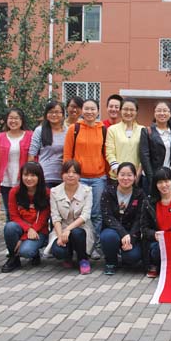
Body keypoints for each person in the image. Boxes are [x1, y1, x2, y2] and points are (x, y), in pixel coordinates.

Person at [63, 99, 107, 260]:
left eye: (93, 109)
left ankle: (93, 246)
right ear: (82, 110)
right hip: (78, 178)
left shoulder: (103, 129)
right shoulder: (74, 129)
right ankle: (78, 246)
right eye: (86, 109)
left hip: (98, 178)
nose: (89, 112)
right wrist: (68, 175)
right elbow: (67, 154)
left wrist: (108, 175)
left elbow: (106, 154)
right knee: (78, 214)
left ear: (98, 111)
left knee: (96, 214)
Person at [46, 160, 95, 275]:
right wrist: (60, 236)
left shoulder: (87, 191)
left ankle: (83, 259)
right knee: (58, 251)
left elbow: (85, 216)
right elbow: (55, 217)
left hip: (81, 227)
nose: (71, 175)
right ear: (62, 174)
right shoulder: (54, 192)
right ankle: (67, 256)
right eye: (67, 172)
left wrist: (68, 229)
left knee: (77, 233)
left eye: (74, 172)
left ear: (79, 175)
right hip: (61, 228)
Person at [1, 162, 51, 272]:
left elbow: (43, 219)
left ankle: (35, 252)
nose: (29, 178)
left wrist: (24, 237)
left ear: (39, 177)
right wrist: (28, 230)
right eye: (26, 175)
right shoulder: (14, 192)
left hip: (39, 230)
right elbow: (14, 216)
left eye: (33, 175)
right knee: (10, 227)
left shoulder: (46, 193)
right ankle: (13, 258)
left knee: (26, 251)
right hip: (22, 228)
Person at [100, 162, 145, 275]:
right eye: (122, 174)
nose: (126, 178)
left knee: (132, 257)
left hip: (131, 232)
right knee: (108, 237)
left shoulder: (140, 194)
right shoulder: (108, 191)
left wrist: (131, 237)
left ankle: (124, 256)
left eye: (129, 175)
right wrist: (123, 233)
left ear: (135, 177)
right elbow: (107, 216)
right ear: (117, 176)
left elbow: (139, 219)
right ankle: (111, 262)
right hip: (113, 229)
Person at [141, 167, 171, 278]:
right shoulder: (148, 202)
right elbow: (144, 228)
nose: (164, 185)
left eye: (167, 181)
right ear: (155, 184)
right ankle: (155, 265)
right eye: (160, 182)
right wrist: (154, 234)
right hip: (156, 242)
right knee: (157, 249)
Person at [0, 108, 33, 220]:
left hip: (25, 181)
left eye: (16, 118)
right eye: (10, 118)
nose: (13, 121)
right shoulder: (0, 137)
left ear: (22, 120)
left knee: (26, 212)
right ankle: (11, 230)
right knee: (10, 213)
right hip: (6, 181)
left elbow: (34, 158)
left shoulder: (30, 135)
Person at [139, 101, 171, 194]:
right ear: (154, 113)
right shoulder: (147, 131)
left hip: (167, 178)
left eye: (165, 110)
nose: (162, 113)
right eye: (159, 110)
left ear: (170, 113)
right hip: (150, 178)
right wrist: (152, 179)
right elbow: (144, 157)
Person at [28, 100, 67, 188]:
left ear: (63, 114)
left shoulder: (68, 131)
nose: (54, 115)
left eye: (57, 112)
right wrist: (32, 175)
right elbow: (31, 155)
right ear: (46, 114)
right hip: (45, 177)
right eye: (51, 112)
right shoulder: (40, 130)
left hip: (64, 177)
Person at [105, 97, 144, 183]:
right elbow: (110, 153)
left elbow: (144, 155)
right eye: (125, 109)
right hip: (116, 177)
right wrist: (119, 173)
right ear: (120, 111)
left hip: (136, 177)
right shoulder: (112, 129)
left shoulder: (142, 130)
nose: (128, 112)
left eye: (132, 110)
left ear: (136, 112)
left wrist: (137, 174)